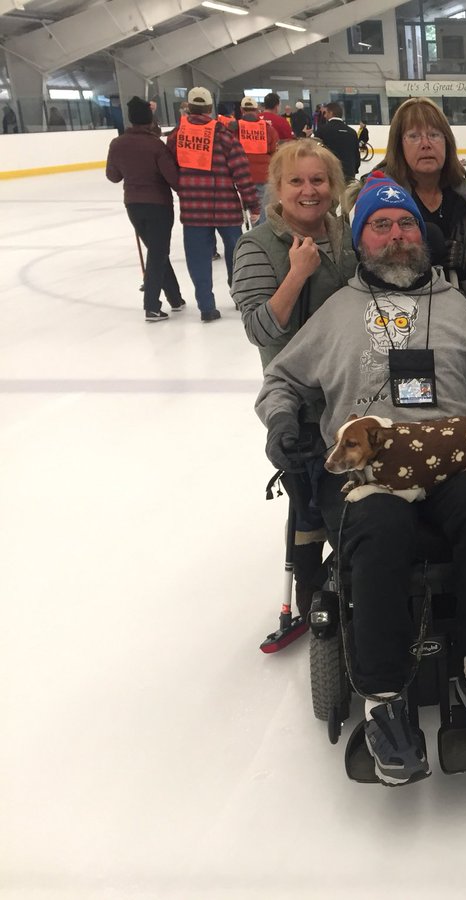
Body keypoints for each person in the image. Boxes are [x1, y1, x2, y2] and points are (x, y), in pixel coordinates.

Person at [254, 176, 466, 784]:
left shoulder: (455, 307)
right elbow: (282, 380)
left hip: (450, 458)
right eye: (381, 225)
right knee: (381, 525)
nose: (397, 235)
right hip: (368, 476)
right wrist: (282, 419)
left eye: (407, 223)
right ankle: (383, 699)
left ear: (424, 234)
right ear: (362, 239)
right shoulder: (338, 309)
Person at [232, 139, 357, 620]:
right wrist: (296, 276)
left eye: (319, 180)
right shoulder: (256, 245)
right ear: (278, 189)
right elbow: (260, 329)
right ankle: (313, 593)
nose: (310, 190)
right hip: (302, 399)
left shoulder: (346, 235)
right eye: (297, 181)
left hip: (351, 387)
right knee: (311, 501)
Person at [371, 97, 466, 302]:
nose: (426, 144)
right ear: (399, 145)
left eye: (434, 135)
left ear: (447, 142)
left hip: (457, 315)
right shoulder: (378, 200)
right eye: (414, 136)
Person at [166, 85, 260, 323]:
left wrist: (185, 188)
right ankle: (240, 297)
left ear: (189, 106)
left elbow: (169, 169)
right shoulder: (223, 135)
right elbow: (241, 171)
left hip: (193, 210)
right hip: (226, 208)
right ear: (209, 108)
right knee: (236, 254)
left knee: (197, 258)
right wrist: (252, 204)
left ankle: (206, 307)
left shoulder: (177, 136)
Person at [105, 96, 186, 322]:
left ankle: (175, 298)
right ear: (150, 119)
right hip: (158, 205)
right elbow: (174, 180)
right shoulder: (155, 145)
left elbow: (113, 176)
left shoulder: (117, 143)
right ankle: (151, 305)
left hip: (133, 204)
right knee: (158, 252)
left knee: (157, 251)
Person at [231, 96, 279, 226]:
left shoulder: (235, 129)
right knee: (264, 212)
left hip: (242, 177)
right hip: (264, 175)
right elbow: (275, 153)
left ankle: (255, 235)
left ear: (241, 110)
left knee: (253, 211)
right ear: (257, 110)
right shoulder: (268, 129)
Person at [315, 101, 360, 182]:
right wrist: (354, 170)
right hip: (349, 173)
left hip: (330, 174)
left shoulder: (322, 130)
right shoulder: (352, 132)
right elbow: (356, 154)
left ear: (330, 113)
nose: (324, 116)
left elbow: (316, 152)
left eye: (325, 113)